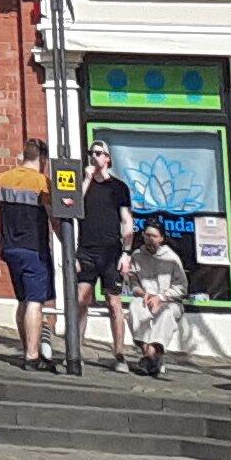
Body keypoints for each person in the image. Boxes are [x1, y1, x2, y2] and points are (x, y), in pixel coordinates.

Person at [0, 140, 58, 366]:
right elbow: (53, 217)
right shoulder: (42, 182)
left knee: (21, 300)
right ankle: (32, 355)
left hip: (11, 248)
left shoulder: (4, 179)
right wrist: (65, 241)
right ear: (43, 159)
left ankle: (27, 347)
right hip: (34, 248)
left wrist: (0, 243)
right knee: (35, 302)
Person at [74, 146, 134, 362]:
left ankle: (119, 353)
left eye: (99, 152)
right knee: (81, 298)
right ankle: (76, 351)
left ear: (108, 158)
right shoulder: (85, 184)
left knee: (113, 301)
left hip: (111, 250)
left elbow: (127, 220)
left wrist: (126, 252)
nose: (94, 156)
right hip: (87, 249)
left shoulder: (118, 187)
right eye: (91, 152)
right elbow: (73, 208)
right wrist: (87, 180)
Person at [122, 222, 191, 377]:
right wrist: (142, 293)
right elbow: (133, 282)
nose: (150, 239)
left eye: (154, 236)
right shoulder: (137, 256)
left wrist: (161, 297)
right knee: (135, 307)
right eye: (147, 235)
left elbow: (182, 287)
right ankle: (152, 358)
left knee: (166, 314)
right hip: (146, 297)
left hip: (169, 300)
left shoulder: (171, 258)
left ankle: (149, 356)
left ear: (161, 238)